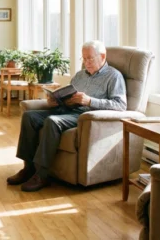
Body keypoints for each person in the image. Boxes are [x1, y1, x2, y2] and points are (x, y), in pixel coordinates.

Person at [7, 40, 126, 192]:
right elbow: (69, 94)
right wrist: (55, 101)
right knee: (29, 117)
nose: (86, 62)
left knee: (52, 121)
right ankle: (28, 168)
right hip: (66, 110)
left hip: (84, 117)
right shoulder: (80, 75)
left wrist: (90, 101)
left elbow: (120, 105)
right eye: (84, 58)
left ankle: (42, 175)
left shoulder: (114, 76)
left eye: (90, 58)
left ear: (102, 56)